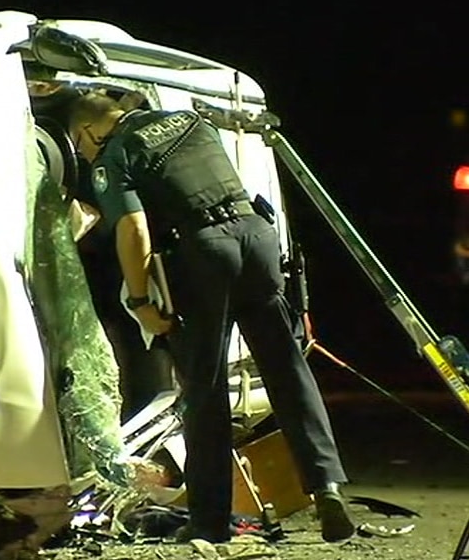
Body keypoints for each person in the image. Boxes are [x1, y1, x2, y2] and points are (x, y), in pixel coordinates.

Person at [66, 91, 355, 543]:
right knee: (288, 371)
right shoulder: (188, 120)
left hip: (204, 252)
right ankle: (326, 487)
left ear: (89, 130)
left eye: (80, 146)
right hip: (256, 238)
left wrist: (141, 300)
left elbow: (132, 227)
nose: (84, 154)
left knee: (204, 390)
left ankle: (210, 520)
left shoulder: (116, 152)